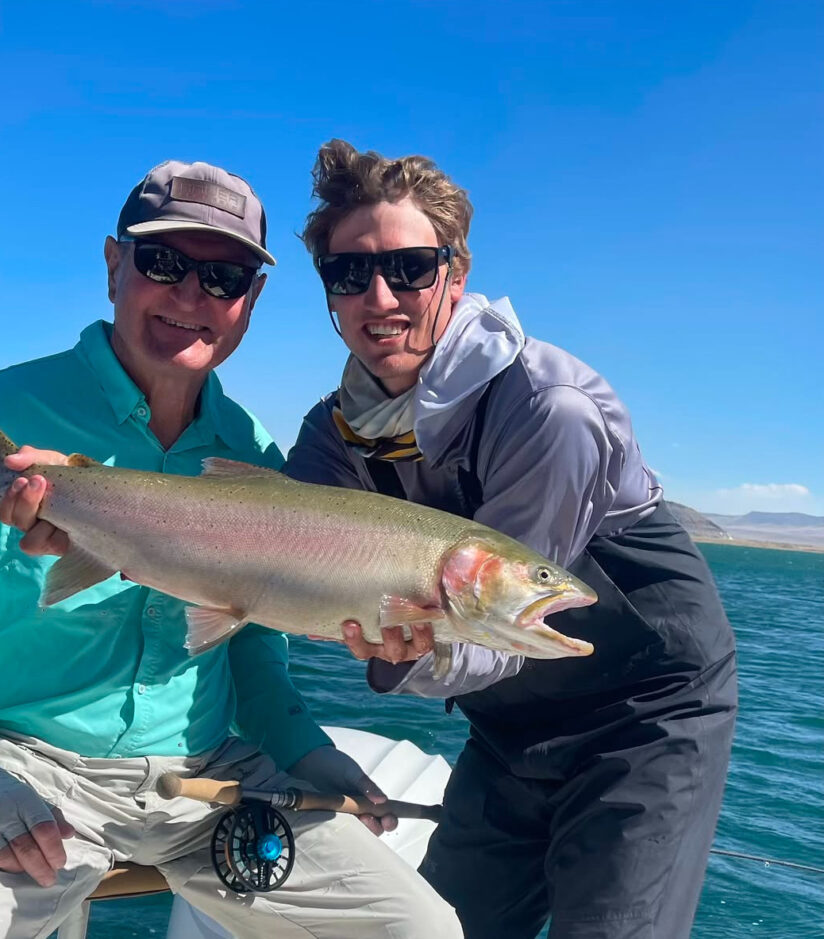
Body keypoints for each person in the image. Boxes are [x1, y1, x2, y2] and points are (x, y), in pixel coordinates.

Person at [0, 159, 461, 939]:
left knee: (421, 929)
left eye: (223, 278)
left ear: (249, 303)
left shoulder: (246, 450)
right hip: (18, 769)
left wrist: (301, 745)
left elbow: (249, 640)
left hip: (210, 781)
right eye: (164, 262)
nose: (192, 295)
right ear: (115, 265)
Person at [281, 140, 738, 939]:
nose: (379, 295)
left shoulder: (545, 407)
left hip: (644, 718)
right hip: (505, 727)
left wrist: (404, 653)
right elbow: (262, 533)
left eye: (410, 268)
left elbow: (502, 622)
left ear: (456, 273)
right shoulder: (333, 433)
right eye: (349, 273)